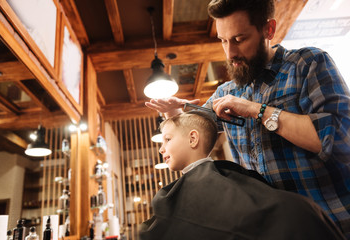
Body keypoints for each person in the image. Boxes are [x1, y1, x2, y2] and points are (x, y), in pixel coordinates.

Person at [145, 0, 350, 237]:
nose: (230, 52)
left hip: (335, 224)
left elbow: (340, 141)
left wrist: (258, 111)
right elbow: (194, 135)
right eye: (223, 41)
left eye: (239, 39)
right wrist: (174, 114)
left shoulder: (308, 64)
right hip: (279, 230)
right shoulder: (225, 93)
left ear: (268, 30)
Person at [139, 111, 345, 240]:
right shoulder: (232, 178)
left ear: (193, 138)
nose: (161, 149)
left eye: (167, 139)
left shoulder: (177, 195)